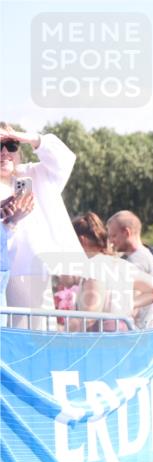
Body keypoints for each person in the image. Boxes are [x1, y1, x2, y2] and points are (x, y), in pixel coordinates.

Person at [0, 124, 88, 325]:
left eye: (11, 145)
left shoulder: (33, 175)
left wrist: (26, 137)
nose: (5, 152)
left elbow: (64, 159)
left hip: (33, 272)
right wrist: (10, 220)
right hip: (4, 271)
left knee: (36, 338)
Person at [70, 212, 153, 331]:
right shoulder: (121, 264)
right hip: (122, 336)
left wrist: (63, 328)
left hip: (99, 342)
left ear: (82, 241)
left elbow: (89, 317)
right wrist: (129, 304)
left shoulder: (94, 267)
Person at [106, 210, 153, 328]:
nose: (111, 241)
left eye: (113, 236)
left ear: (126, 232)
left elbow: (132, 300)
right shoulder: (141, 256)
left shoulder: (136, 261)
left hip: (140, 331)